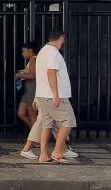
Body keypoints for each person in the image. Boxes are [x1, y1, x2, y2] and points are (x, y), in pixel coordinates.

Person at [33, 29, 78, 164]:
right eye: (63, 39)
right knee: (68, 121)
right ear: (61, 38)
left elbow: (40, 75)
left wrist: (36, 95)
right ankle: (57, 151)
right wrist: (56, 94)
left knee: (47, 124)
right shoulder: (53, 53)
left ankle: (43, 155)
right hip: (53, 95)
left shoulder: (43, 51)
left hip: (43, 94)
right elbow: (51, 73)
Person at [15, 42, 38, 142]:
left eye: (23, 51)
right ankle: (34, 134)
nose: (22, 53)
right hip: (29, 90)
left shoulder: (33, 59)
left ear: (30, 50)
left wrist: (19, 75)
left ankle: (36, 139)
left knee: (32, 115)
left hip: (32, 90)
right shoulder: (32, 60)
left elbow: (32, 75)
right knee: (21, 113)